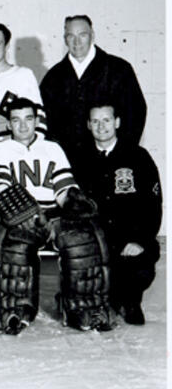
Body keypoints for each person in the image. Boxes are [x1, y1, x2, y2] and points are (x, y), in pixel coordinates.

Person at [0, 97, 110, 333]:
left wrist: (72, 201)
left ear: (37, 121)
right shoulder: (0, 149)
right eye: (16, 120)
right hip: (19, 217)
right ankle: (16, 308)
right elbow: (0, 186)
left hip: (54, 215)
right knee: (16, 248)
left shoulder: (52, 148)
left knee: (79, 241)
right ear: (8, 124)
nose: (23, 126)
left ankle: (80, 307)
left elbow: (63, 186)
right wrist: (25, 214)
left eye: (28, 119)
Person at [74, 104, 161, 325]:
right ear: (88, 125)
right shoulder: (79, 158)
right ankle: (103, 298)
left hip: (128, 237)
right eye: (95, 121)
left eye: (106, 120)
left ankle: (131, 301)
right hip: (96, 238)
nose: (101, 126)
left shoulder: (137, 156)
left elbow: (152, 205)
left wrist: (139, 240)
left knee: (137, 267)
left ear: (117, 122)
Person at [39, 15, 146, 163]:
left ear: (92, 36)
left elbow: (136, 113)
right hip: (68, 165)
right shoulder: (53, 78)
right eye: (71, 36)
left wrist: (122, 154)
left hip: (111, 162)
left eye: (82, 35)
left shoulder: (118, 69)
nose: (77, 42)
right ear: (65, 39)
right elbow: (45, 122)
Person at [0, 22, 46, 149]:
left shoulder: (22, 75)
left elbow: (38, 118)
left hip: (7, 148)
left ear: (6, 46)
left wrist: (30, 150)